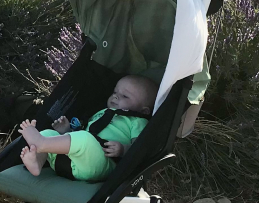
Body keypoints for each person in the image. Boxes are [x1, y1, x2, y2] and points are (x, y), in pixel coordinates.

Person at [19, 75, 158, 181]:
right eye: (115, 92)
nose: (115, 96)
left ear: (144, 110)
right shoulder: (101, 113)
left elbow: (140, 149)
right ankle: (37, 162)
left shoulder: (138, 122)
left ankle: (41, 143)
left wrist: (123, 149)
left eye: (125, 96)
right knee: (50, 133)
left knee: (85, 140)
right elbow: (84, 134)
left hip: (101, 163)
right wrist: (67, 132)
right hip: (74, 161)